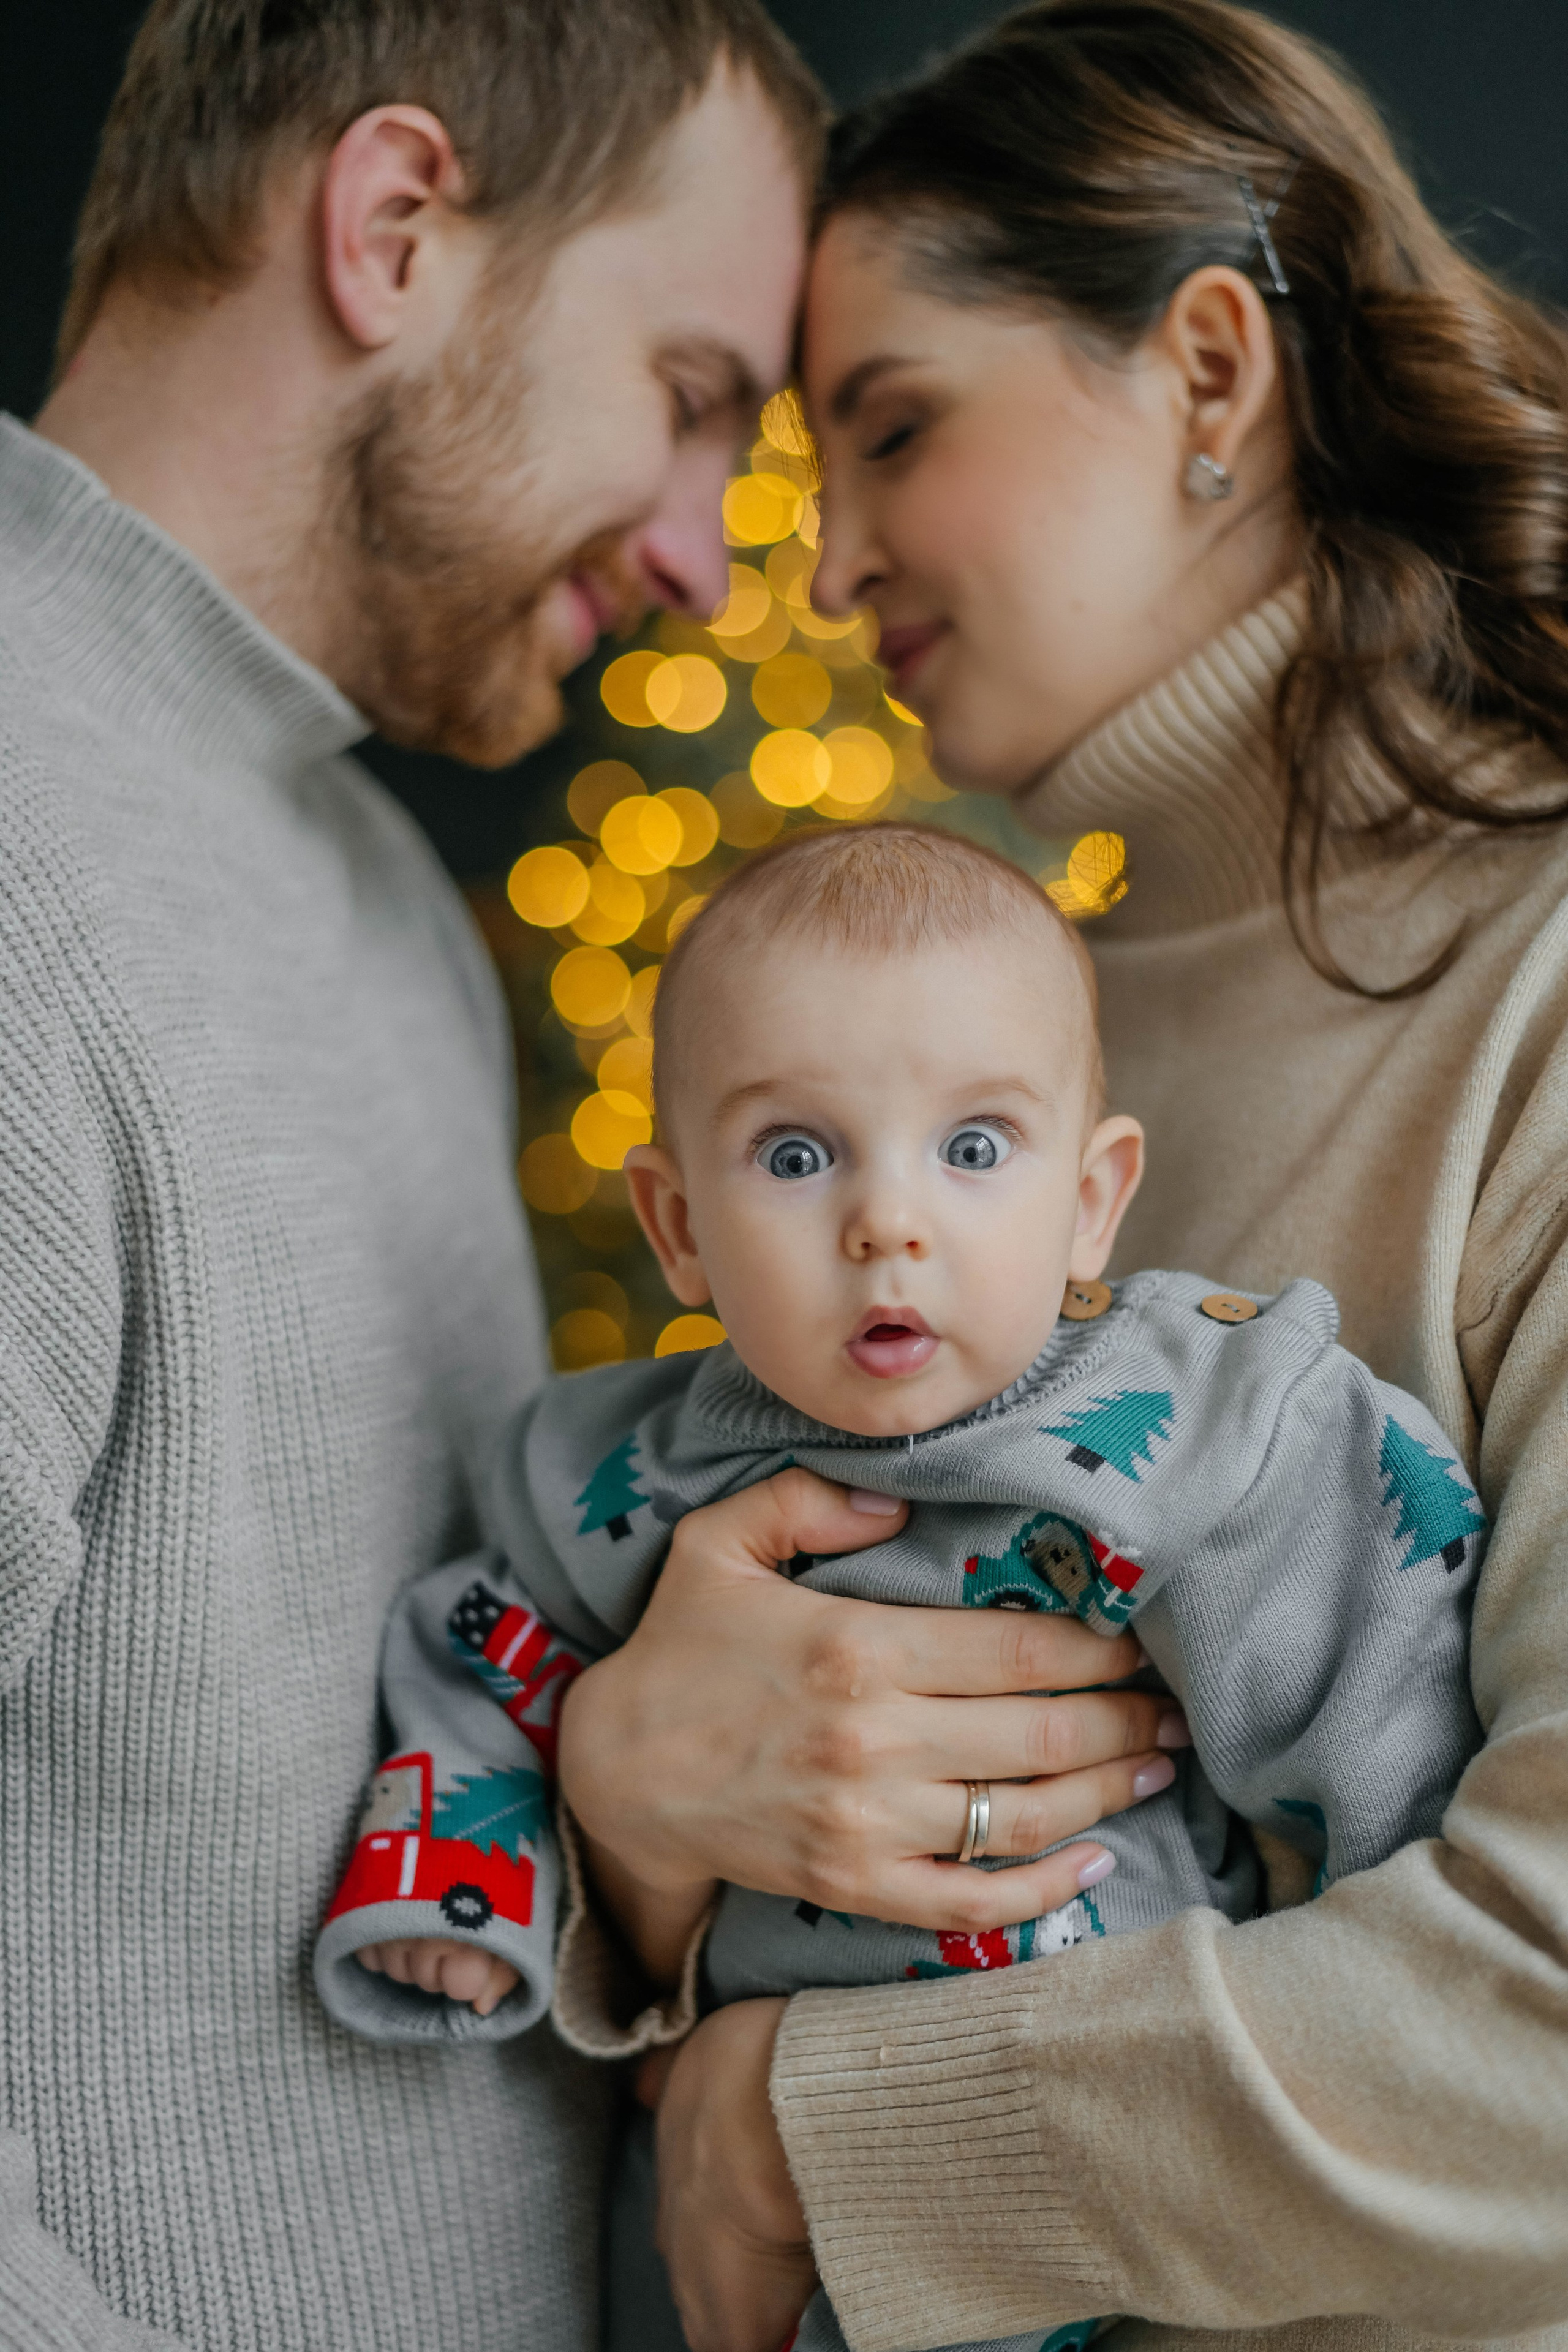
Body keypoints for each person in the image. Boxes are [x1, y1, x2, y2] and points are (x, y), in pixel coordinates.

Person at [4, 1, 1189, 2342]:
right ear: (396, 226)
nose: (701, 554)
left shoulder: (373, 897)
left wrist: (640, 1829)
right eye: (684, 400)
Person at [548, 4, 1568, 2350]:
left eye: (894, 430)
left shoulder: (1538, 996)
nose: (827, 563)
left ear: (1210, 369)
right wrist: (626, 1807)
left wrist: (820, 2126)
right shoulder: (977, 1035)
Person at [311, 821, 1485, 2352]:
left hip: (1070, 2118)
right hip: (724, 2174)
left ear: (1090, 1198)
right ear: (674, 1226)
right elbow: (480, 1649)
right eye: (794, 1156)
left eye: (974, 1147)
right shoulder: (625, 1472)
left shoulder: (1192, 1430)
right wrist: (472, 1889)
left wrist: (1392, 1924)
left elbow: (1371, 1660)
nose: (887, 1221)